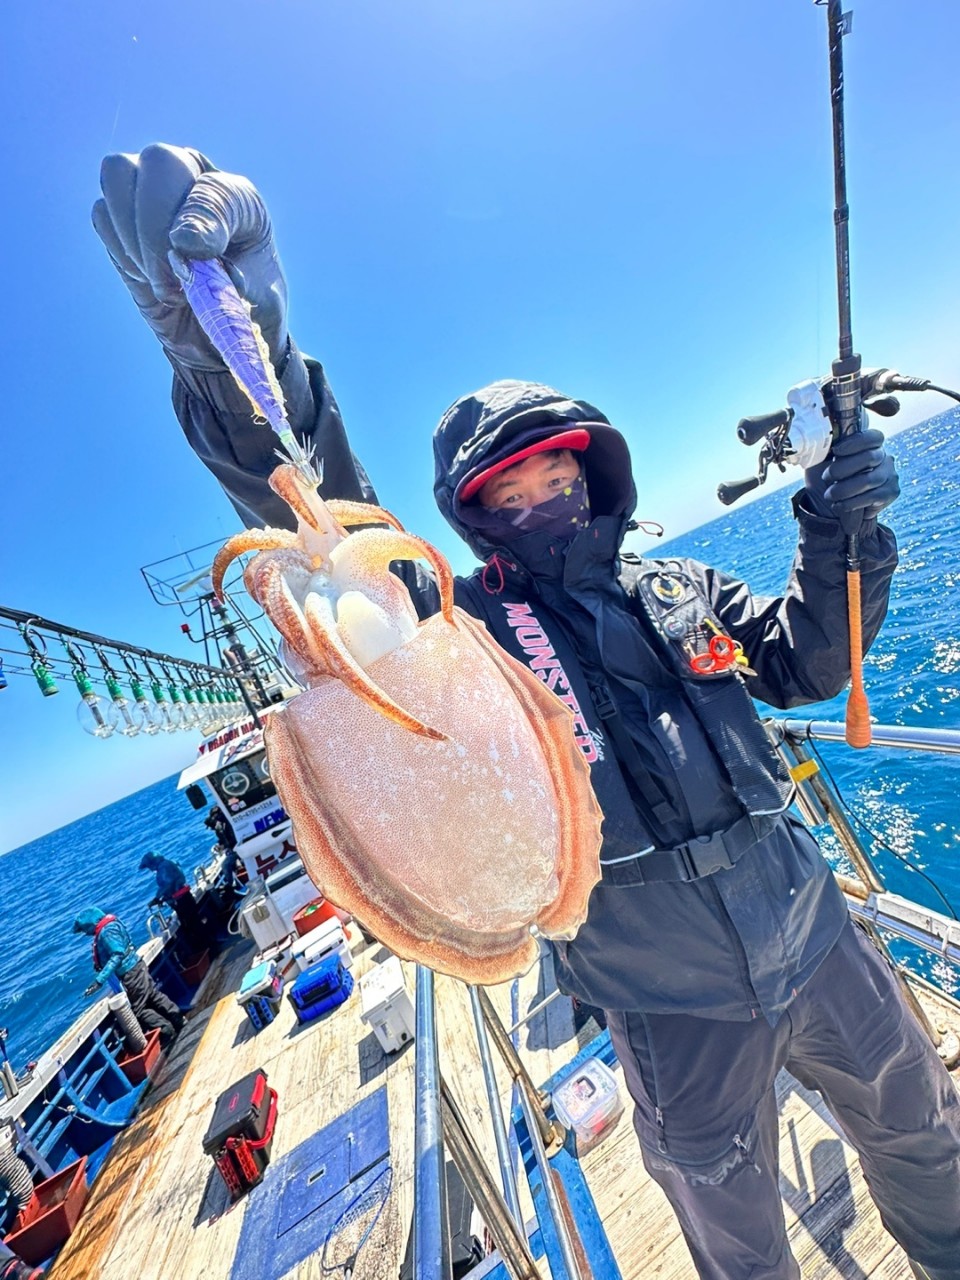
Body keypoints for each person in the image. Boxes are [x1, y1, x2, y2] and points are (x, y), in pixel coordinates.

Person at [92, 144, 960, 1280]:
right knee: (741, 1251)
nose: (546, 500)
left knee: (929, 1142)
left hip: (820, 935)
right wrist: (232, 359)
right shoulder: (463, 633)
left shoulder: (680, 586)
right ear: (475, 516)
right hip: (666, 1005)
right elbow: (336, 529)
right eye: (511, 491)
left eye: (561, 476)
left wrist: (844, 526)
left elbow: (806, 660)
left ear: (597, 478)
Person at [73, 906, 185, 1049]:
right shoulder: (112, 923)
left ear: (91, 923)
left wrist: (99, 980)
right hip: (137, 965)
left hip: (130, 973)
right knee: (153, 996)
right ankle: (179, 1020)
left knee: (138, 1010)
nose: (85, 933)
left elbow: (117, 954)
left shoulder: (106, 933)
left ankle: (167, 1031)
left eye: (84, 929)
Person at [139, 852, 206, 953]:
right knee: (195, 921)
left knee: (192, 924)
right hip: (186, 895)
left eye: (149, 866)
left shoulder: (163, 868)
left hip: (181, 900)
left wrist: (157, 898)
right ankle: (206, 945)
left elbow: (168, 884)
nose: (150, 869)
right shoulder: (169, 862)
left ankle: (205, 948)